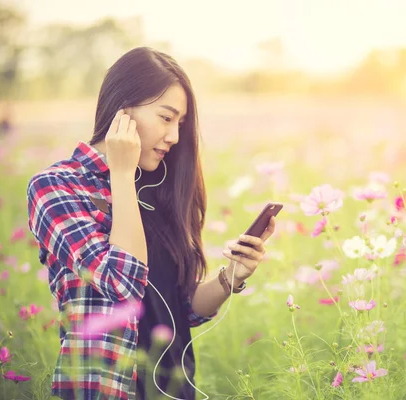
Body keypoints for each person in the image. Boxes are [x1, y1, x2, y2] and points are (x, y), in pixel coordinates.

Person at [26, 46, 276, 400]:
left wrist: (230, 275)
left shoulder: (159, 185)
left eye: (181, 123)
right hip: (107, 390)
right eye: (165, 117)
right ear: (123, 111)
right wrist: (122, 174)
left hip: (174, 390)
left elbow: (181, 307)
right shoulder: (57, 187)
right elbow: (123, 283)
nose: (174, 136)